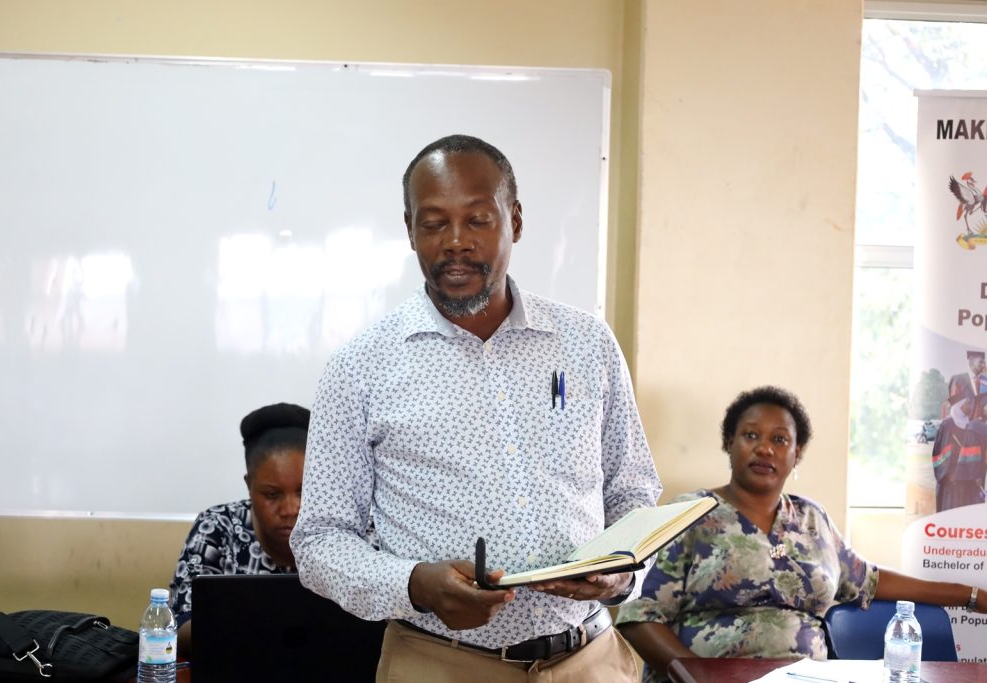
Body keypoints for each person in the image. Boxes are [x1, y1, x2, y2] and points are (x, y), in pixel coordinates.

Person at [290, 134, 661, 683]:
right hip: (441, 664)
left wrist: (623, 576)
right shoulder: (360, 366)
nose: (456, 242)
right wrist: (414, 583)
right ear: (410, 230)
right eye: (434, 222)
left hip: (591, 661)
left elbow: (633, 494)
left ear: (515, 219)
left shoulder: (587, 343)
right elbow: (320, 540)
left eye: (479, 219)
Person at [616, 386, 987, 683]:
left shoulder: (812, 518)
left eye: (780, 440)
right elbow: (638, 615)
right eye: (750, 435)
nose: (764, 448)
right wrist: (697, 674)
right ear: (729, 442)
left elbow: (867, 581)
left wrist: (972, 596)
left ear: (797, 454)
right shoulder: (688, 515)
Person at [168, 402, 310, 656]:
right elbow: (179, 628)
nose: (290, 508)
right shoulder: (216, 527)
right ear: (249, 484)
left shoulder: (351, 531)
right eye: (271, 494)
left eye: (304, 491)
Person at [933, 394, 987, 511]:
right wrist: (948, 473)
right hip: (951, 479)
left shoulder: (969, 424)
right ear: (959, 406)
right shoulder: (947, 425)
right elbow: (941, 451)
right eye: (967, 404)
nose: (970, 407)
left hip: (966, 476)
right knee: (951, 508)